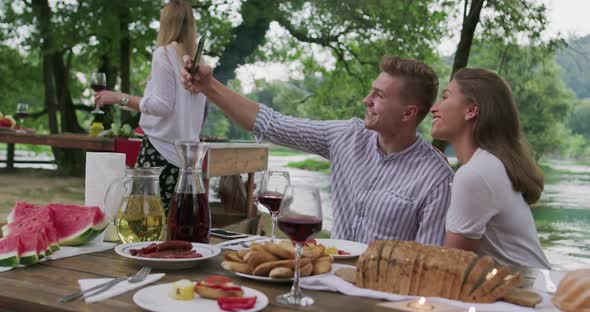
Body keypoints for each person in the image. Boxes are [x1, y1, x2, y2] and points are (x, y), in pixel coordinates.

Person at [181, 55, 454, 245]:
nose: (366, 100)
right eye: (371, 91)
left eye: (379, 95)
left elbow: (428, 257)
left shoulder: (435, 178)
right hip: (328, 278)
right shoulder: (347, 135)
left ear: (408, 113)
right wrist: (209, 86)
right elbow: (273, 124)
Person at [430, 67, 550, 269]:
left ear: (471, 110)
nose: (435, 108)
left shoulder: (475, 174)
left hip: (524, 294)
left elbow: (450, 265)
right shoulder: (489, 165)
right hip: (532, 289)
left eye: (445, 97)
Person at [95, 0, 206, 211]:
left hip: (159, 151)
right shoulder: (199, 62)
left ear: (166, 23)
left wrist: (120, 97)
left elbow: (161, 106)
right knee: (177, 225)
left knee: (144, 221)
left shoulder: (163, 54)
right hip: (186, 157)